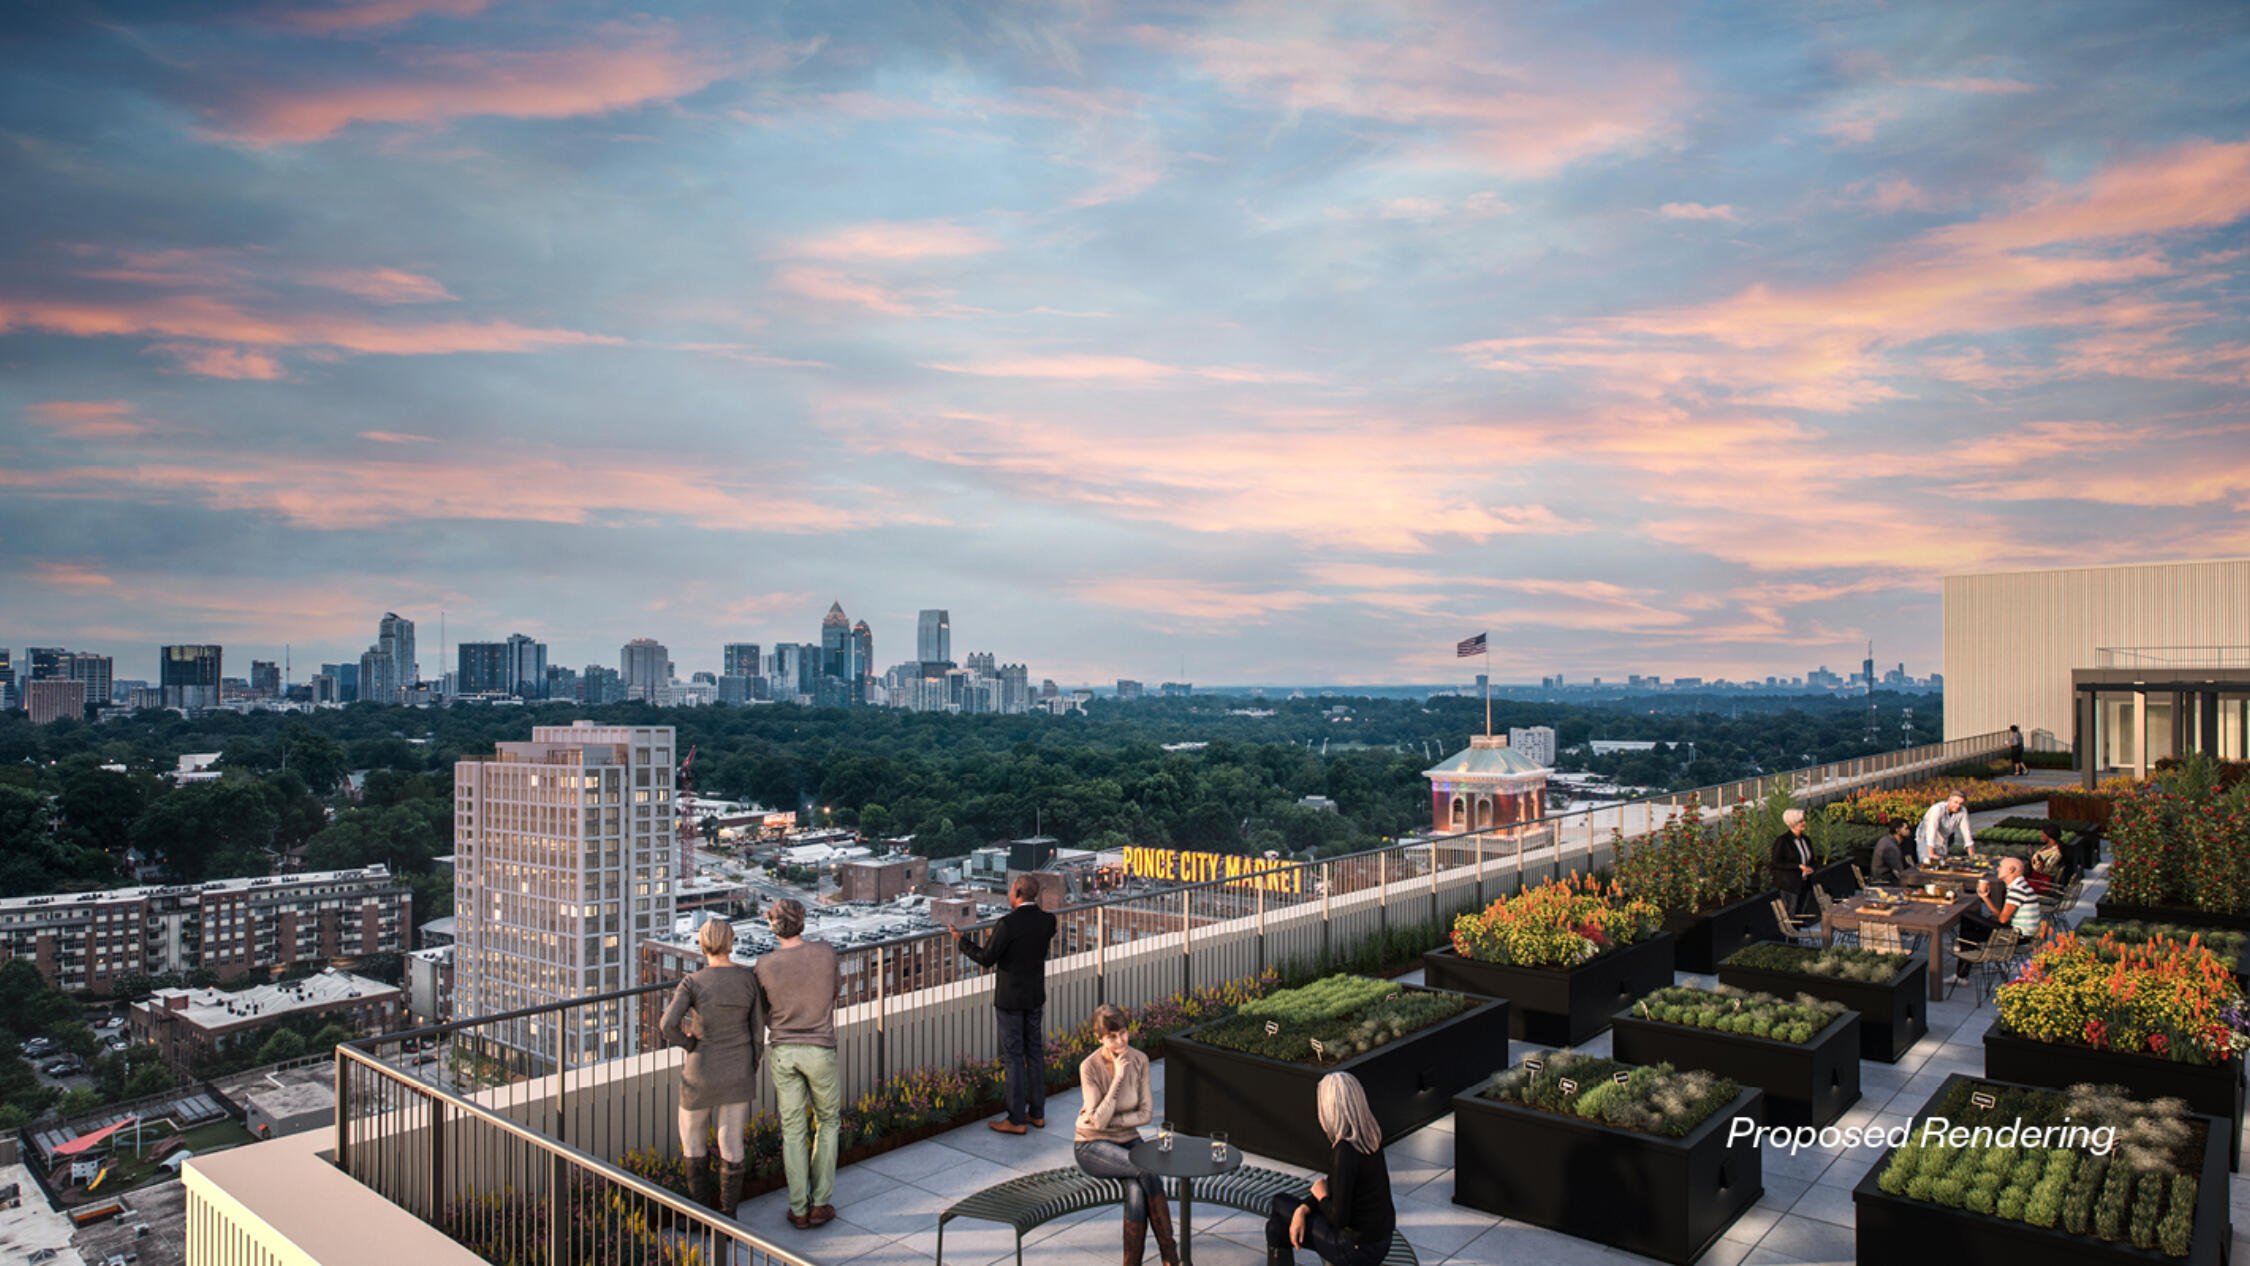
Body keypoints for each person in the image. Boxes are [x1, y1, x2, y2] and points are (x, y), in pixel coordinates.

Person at [659, 917, 765, 1215]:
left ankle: (700, 1214)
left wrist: (690, 1044)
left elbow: (667, 1025)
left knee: (693, 1143)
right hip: (737, 1070)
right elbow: (758, 1033)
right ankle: (728, 1216)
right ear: (731, 943)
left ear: (702, 944)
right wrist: (750, 1066)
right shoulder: (748, 979)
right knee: (731, 1142)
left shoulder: (693, 982)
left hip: (700, 1071)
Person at [752, 898, 841, 1230]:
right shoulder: (826, 953)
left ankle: (798, 1208)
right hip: (820, 1048)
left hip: (784, 1051)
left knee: (793, 1131)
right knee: (828, 1122)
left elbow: (762, 1013)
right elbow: (834, 994)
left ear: (773, 927)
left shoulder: (763, 965)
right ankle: (820, 1203)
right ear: (802, 921)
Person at [950, 873, 1059, 1134]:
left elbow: (987, 958)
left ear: (1019, 893)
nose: (1009, 894)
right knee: (1034, 1052)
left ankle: (1016, 1119)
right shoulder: (1048, 921)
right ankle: (1038, 1113)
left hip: (1010, 999)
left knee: (1013, 1057)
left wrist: (961, 941)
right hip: (1034, 996)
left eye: (1011, 890)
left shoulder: (1007, 924)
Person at [1072, 1005, 1178, 1266]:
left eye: (1123, 1034)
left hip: (1127, 1139)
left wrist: (1112, 1121)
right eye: (1112, 1037)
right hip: (1091, 1145)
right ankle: (1171, 1255)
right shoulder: (1089, 1067)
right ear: (1100, 1040)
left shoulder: (1140, 1059)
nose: (1120, 1042)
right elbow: (1095, 1123)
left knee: (1135, 1189)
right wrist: (1118, 1078)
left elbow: (1145, 1114)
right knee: (1146, 1170)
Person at [1267, 1072, 1393, 1266]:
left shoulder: (1344, 1150)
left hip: (1355, 1249)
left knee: (1279, 1203)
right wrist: (1303, 1209)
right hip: (1380, 1240)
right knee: (1277, 1226)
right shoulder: (1369, 1135)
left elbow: (1338, 1218)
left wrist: (1320, 1197)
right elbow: (1337, 1187)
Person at [1952, 856, 2042, 983]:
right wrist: (1985, 897)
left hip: (2018, 936)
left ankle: (1962, 954)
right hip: (2018, 932)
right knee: (1970, 931)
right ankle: (1962, 968)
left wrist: (1985, 899)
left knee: (1967, 916)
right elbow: (2002, 917)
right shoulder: (2020, 885)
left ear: (2011, 870)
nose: (1998, 869)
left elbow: (2002, 920)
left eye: (2001, 866)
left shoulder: (2018, 890)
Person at [1769, 808, 1817, 916]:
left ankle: (1798, 930)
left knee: (1801, 913)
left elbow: (1812, 858)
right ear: (1792, 824)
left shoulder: (1806, 840)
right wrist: (1798, 866)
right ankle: (1791, 932)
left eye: (1803, 821)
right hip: (1790, 885)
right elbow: (1776, 863)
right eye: (1800, 821)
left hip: (1805, 882)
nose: (1804, 823)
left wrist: (1811, 868)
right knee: (1791, 913)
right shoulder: (1783, 841)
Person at [1917, 792, 1975, 865]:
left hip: (1942, 839)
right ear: (1949, 800)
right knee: (1927, 863)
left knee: (1943, 864)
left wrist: (1972, 856)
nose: (1958, 806)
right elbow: (1931, 831)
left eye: (1961, 803)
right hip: (1925, 839)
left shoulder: (1963, 810)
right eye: (1955, 802)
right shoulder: (1937, 809)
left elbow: (1967, 832)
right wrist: (1931, 854)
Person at [1869, 818, 1911, 888]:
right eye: (1906, 828)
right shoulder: (1891, 847)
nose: (1909, 831)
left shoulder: (1886, 840)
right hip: (1883, 882)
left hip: (1882, 879)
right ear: (1898, 830)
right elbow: (1900, 872)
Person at [2026, 824, 2068, 894]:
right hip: (2037, 877)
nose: (2041, 836)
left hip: (2043, 883)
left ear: (2048, 835)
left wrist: (2033, 859)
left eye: (2043, 834)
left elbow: (2046, 869)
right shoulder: (2048, 846)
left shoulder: (2057, 852)